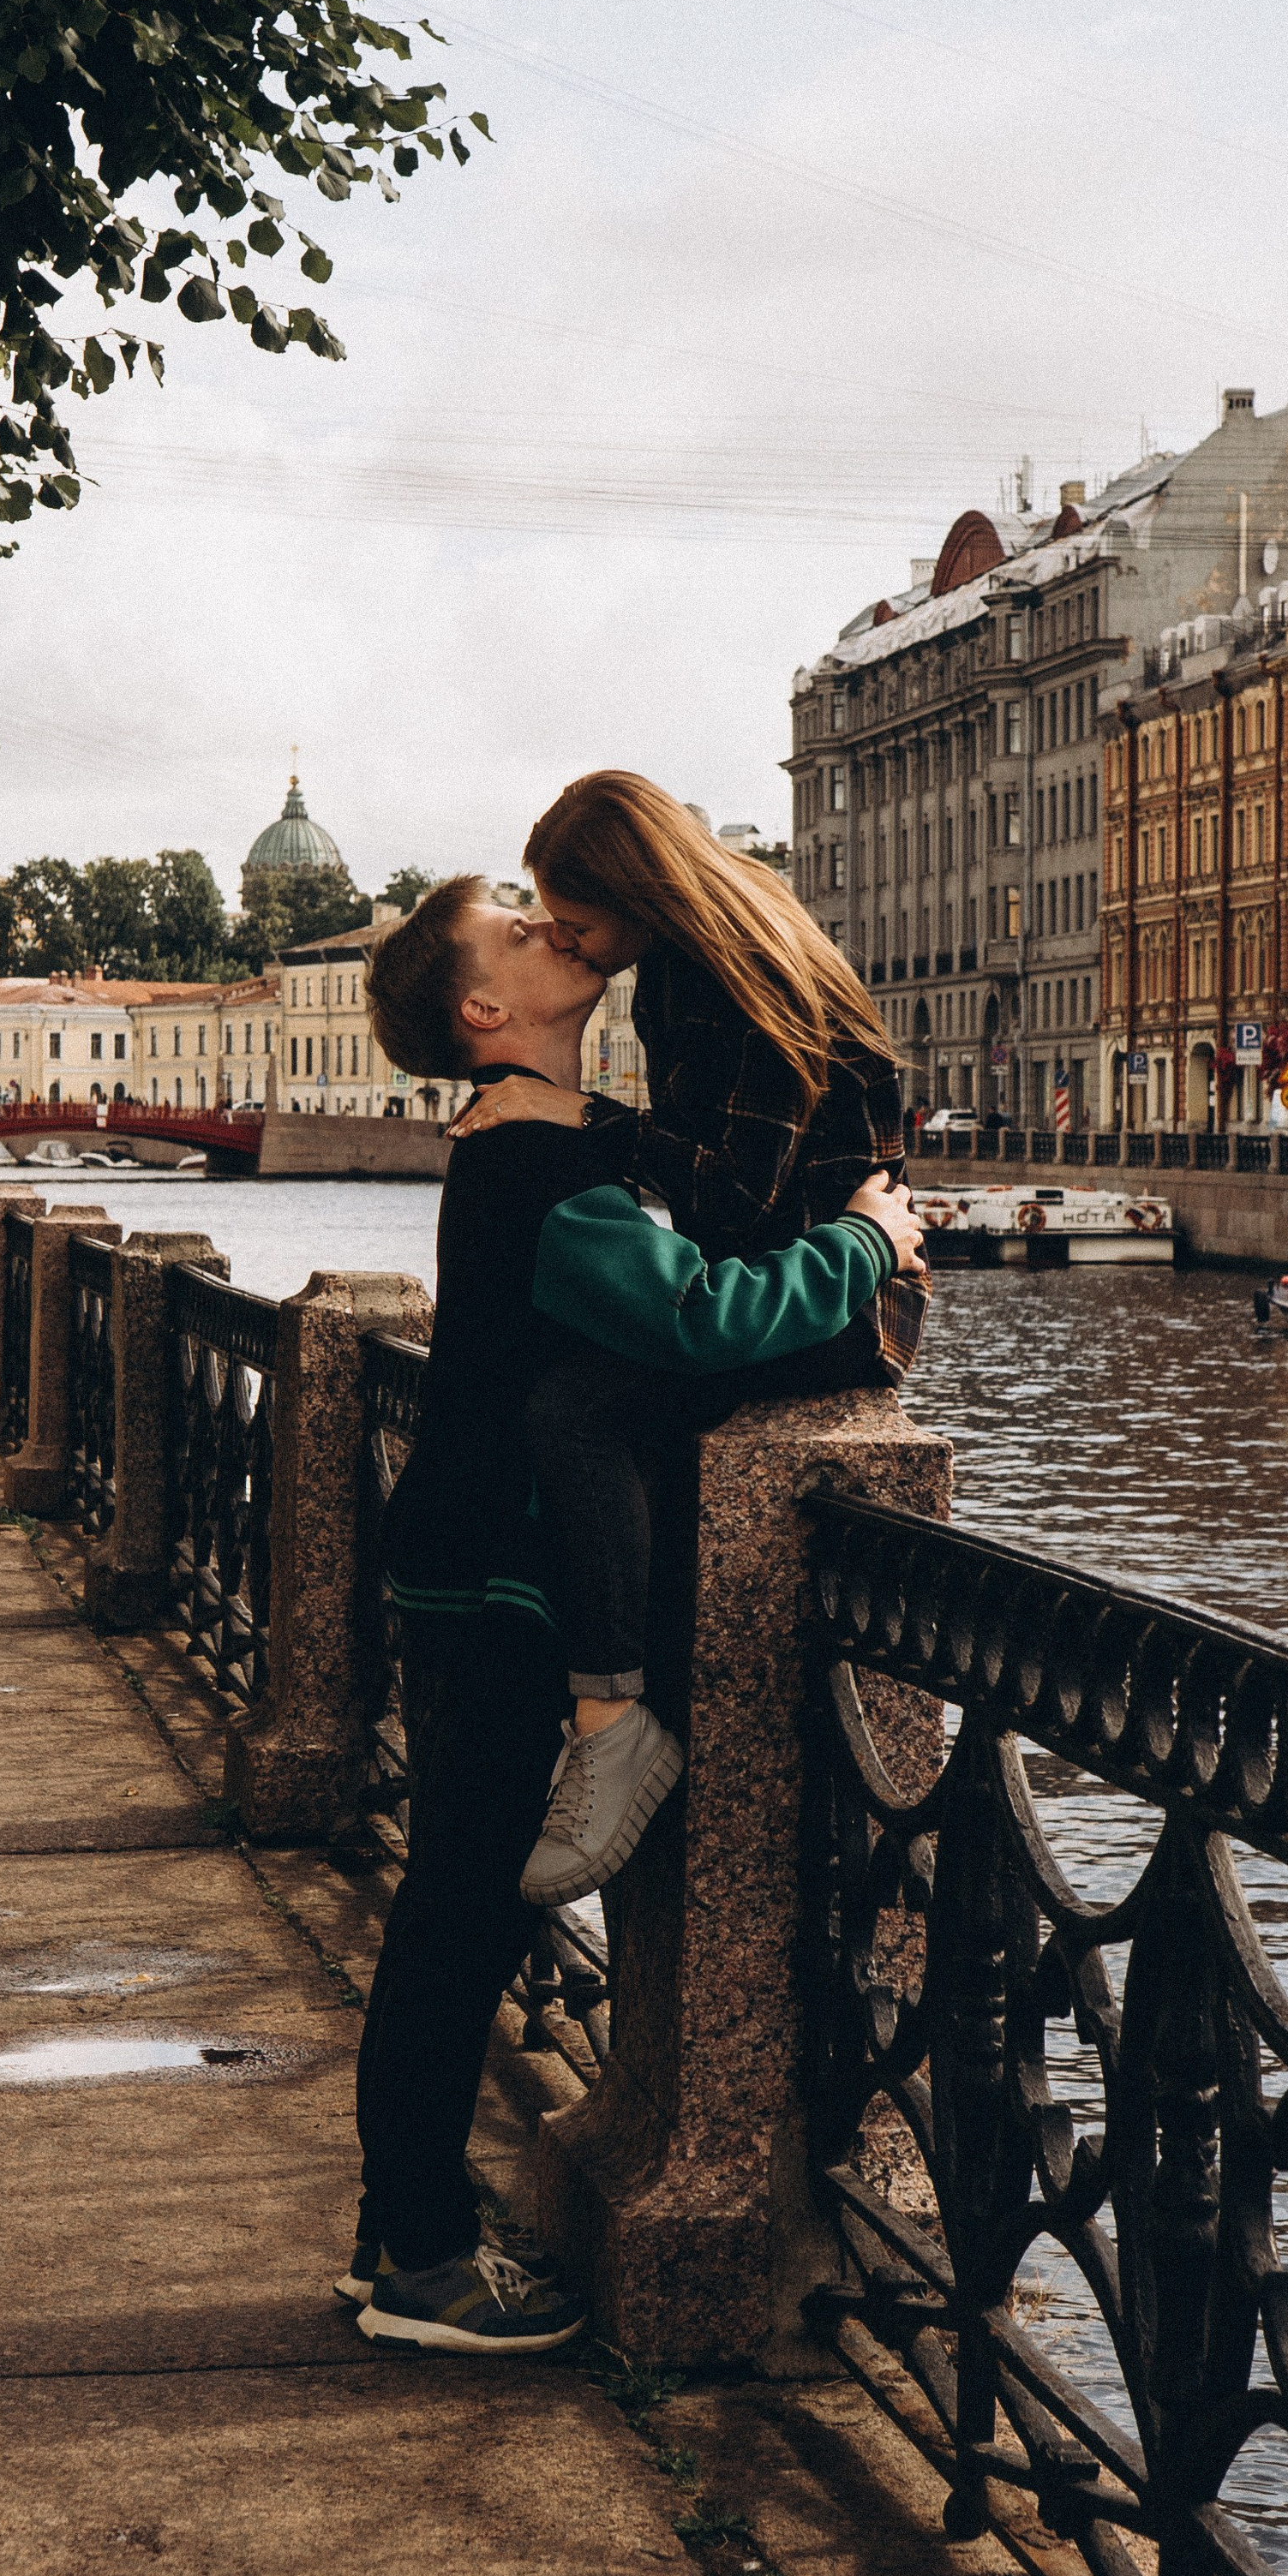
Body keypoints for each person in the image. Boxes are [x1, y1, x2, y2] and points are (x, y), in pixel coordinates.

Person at [349, 878, 922, 2356]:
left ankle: (397, 2233)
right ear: (485, 1012)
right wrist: (865, 1242)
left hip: (468, 1561)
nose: (554, 927)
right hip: (491, 1580)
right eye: (517, 924)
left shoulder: (540, 1139)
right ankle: (417, 2257)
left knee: (453, 1907)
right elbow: (699, 1319)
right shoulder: (538, 1168)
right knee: (458, 1916)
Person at [446, 774, 919, 1904]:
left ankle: (613, 1723)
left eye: (578, 922)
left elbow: (739, 1197)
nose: (568, 943)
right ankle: (611, 1708)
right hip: (801, 1281)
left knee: (575, 1409)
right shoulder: (695, 958)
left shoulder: (733, 982)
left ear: (640, 894)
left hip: (833, 1305)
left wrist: (584, 1122)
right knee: (587, 1394)